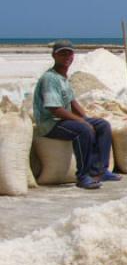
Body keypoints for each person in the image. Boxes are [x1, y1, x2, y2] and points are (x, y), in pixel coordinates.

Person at [33, 39, 122, 190]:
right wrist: (83, 123)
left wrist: (87, 118)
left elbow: (73, 103)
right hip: (50, 123)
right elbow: (55, 109)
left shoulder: (63, 78)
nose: (66, 56)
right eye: (62, 53)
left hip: (61, 120)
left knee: (103, 125)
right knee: (83, 130)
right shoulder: (50, 78)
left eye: (69, 53)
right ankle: (83, 176)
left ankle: (100, 171)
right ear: (54, 56)